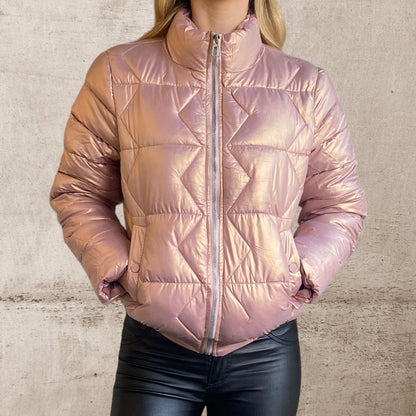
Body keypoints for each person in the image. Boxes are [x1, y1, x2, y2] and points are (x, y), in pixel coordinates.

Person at [49, 0, 367, 414]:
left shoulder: (306, 87)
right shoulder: (119, 73)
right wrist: (126, 269)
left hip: (265, 351)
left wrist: (297, 271)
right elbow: (78, 191)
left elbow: (339, 204)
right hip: (156, 348)